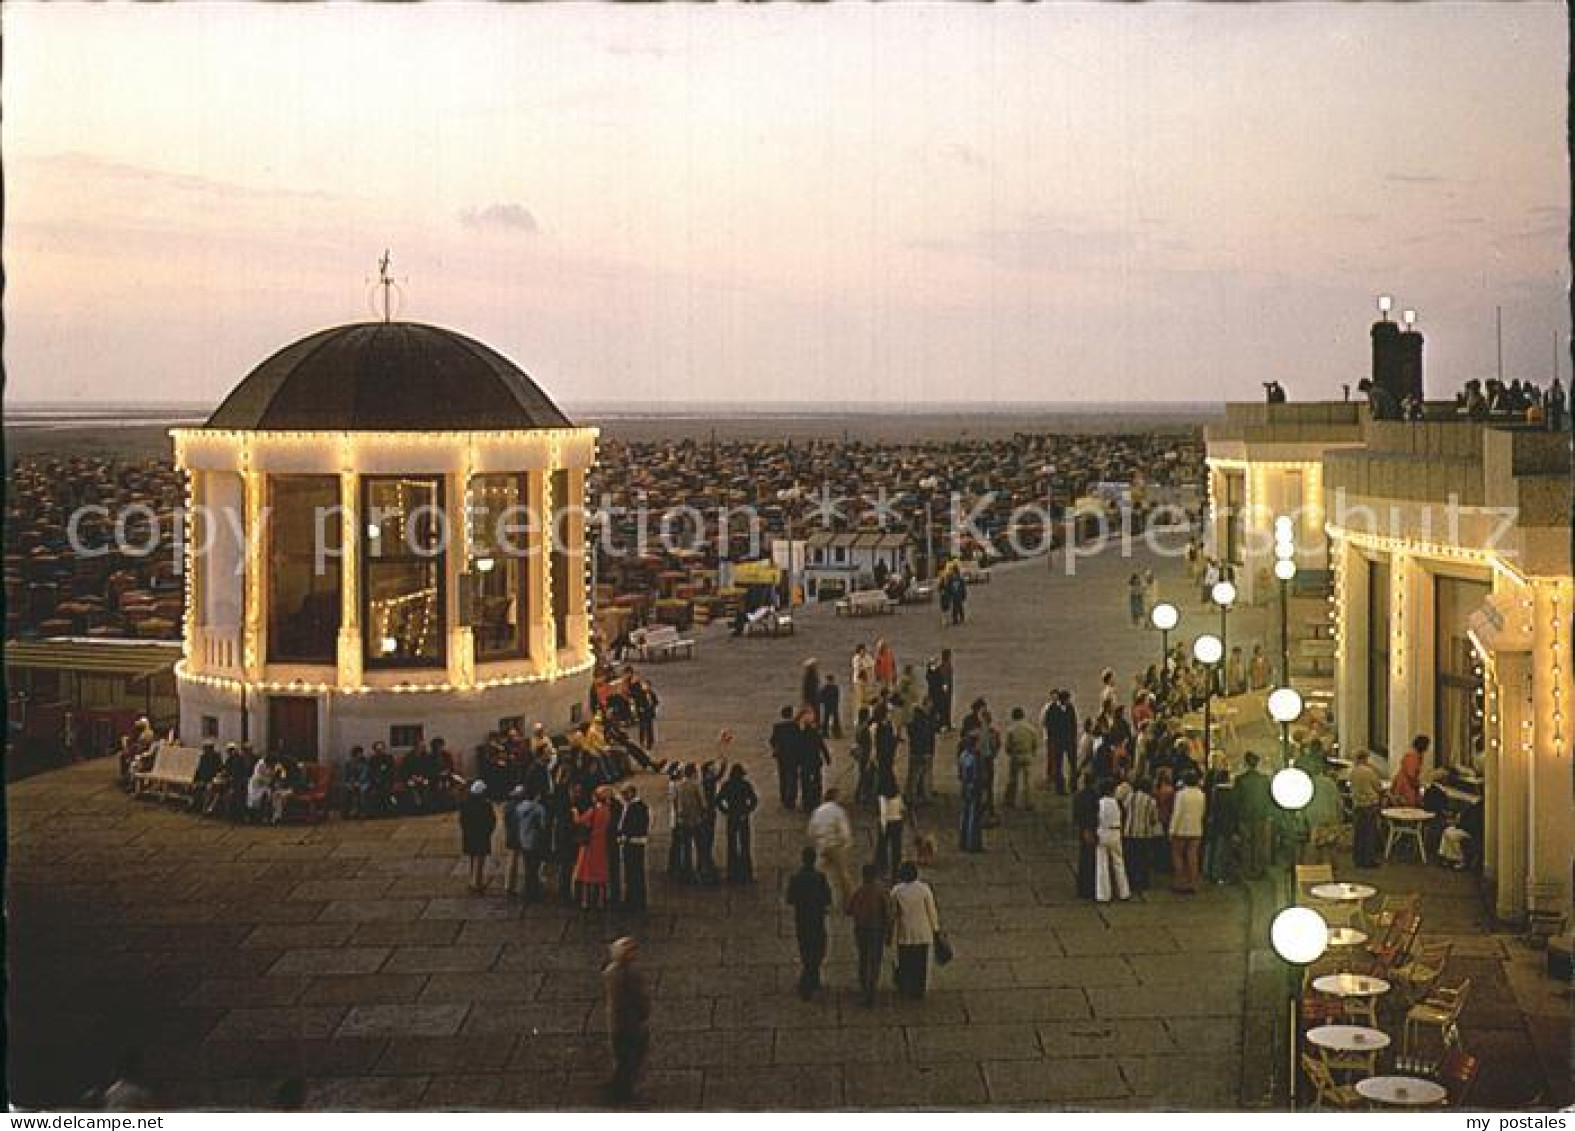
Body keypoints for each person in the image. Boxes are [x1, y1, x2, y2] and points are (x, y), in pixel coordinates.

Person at [602, 936, 651, 1106]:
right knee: (633, 1055)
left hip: (616, 1023)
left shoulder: (610, 972)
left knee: (622, 1055)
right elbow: (640, 999)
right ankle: (622, 1089)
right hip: (631, 1024)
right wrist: (645, 1013)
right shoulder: (633, 973)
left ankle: (618, 1085)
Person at [785, 847, 833, 1000]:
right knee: (818, 947)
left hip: (802, 919)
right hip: (817, 919)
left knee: (805, 947)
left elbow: (790, 899)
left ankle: (810, 975)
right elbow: (828, 898)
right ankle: (811, 976)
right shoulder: (820, 877)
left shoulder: (796, 878)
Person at [890, 862, 941, 999]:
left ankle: (906, 986)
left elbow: (893, 913)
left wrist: (890, 931)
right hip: (923, 931)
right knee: (920, 961)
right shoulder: (924, 889)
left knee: (906, 960)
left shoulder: (896, 891)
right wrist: (935, 928)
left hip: (905, 931)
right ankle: (919, 989)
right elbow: (931, 911)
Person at [845, 863, 892, 1007]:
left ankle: (864, 989)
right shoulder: (881, 892)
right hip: (877, 930)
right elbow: (888, 913)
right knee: (875, 960)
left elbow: (849, 910)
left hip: (861, 929)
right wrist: (889, 932)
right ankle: (871, 990)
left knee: (863, 958)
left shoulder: (859, 892)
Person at [807, 788, 855, 905]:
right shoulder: (838, 811)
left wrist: (817, 841)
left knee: (819, 871)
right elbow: (844, 831)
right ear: (835, 798)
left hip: (822, 845)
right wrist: (847, 843)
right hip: (835, 846)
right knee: (843, 874)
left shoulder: (818, 811)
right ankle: (849, 901)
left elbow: (811, 830)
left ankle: (819, 898)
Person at [1233, 751, 1274, 880]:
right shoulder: (1264, 779)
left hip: (1245, 815)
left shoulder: (1240, 779)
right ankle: (1258, 869)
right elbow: (1269, 797)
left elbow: (1237, 799)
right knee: (1259, 842)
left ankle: (1247, 870)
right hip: (1261, 814)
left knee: (1246, 843)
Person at [715, 763, 758, 883]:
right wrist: (747, 810)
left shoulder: (727, 785)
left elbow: (718, 800)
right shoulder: (745, 785)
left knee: (732, 845)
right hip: (743, 816)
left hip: (732, 816)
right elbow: (754, 800)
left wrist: (726, 811)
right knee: (745, 845)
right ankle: (746, 873)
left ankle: (732, 873)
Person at [574, 786, 615, 909]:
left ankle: (585, 901)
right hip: (601, 843)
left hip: (590, 843)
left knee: (587, 873)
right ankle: (601, 901)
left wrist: (575, 811)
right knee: (601, 873)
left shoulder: (593, 810)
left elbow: (579, 821)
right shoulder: (607, 810)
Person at [1094, 778, 1132, 903]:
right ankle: (1124, 891)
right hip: (1116, 832)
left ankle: (1103, 894)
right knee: (1119, 862)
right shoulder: (1117, 803)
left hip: (1103, 831)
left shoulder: (1100, 803)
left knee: (1102, 863)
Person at [1123, 775, 1163, 892]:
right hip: (1144, 834)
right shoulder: (1151, 801)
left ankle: (1130, 880)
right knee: (1143, 859)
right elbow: (1154, 819)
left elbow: (1125, 809)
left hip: (1130, 832)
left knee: (1130, 858)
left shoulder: (1130, 797)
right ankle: (1143, 882)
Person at [1169, 769, 1206, 893]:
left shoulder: (1181, 794)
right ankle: (1193, 883)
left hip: (1181, 828)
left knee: (1178, 855)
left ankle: (1180, 882)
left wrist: (1172, 829)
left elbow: (1177, 813)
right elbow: (1202, 811)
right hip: (1196, 828)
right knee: (1192, 856)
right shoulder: (1201, 794)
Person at [459, 780, 496, 893]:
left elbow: (462, 821)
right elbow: (491, 821)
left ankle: (472, 880)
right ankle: (477, 883)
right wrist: (488, 832)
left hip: (469, 835)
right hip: (481, 836)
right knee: (480, 860)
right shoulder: (485, 805)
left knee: (472, 858)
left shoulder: (465, 803)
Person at [617, 784, 650, 910]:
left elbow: (638, 825)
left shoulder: (638, 807)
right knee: (631, 871)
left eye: (625, 793)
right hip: (629, 842)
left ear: (632, 793)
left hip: (634, 842)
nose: (623, 796)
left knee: (635, 871)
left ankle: (635, 900)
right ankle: (632, 898)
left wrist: (625, 834)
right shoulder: (629, 806)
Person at [1349, 751, 1384, 868]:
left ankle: (1358, 858)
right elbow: (1378, 787)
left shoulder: (1352, 772)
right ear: (1365, 758)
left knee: (1359, 833)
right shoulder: (1369, 772)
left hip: (1358, 804)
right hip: (1369, 804)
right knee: (1369, 834)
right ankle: (1368, 860)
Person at [1042, 689, 1077, 795]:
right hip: (1058, 741)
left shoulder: (1070, 708)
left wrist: (1073, 737)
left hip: (1068, 740)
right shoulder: (1052, 709)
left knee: (1072, 764)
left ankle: (1073, 785)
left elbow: (1073, 723)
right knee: (1058, 765)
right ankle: (1060, 788)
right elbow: (1049, 725)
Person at [1003, 706, 1038, 810]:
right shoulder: (1031, 728)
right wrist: (1032, 752)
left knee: (1013, 779)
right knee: (1027, 781)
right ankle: (1028, 802)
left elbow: (1008, 746)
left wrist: (1010, 752)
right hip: (1027, 755)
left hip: (1016, 755)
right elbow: (1035, 743)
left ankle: (1010, 801)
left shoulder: (1011, 730)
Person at [957, 734, 984, 853]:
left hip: (964, 786)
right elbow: (977, 775)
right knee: (974, 816)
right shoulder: (975, 758)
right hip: (974, 787)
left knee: (965, 813)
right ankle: (972, 843)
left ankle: (963, 840)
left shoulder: (963, 755)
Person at [874, 780, 906, 883]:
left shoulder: (882, 798)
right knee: (896, 847)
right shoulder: (898, 796)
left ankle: (882, 869)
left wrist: (882, 827)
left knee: (882, 846)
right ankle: (895, 871)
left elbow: (883, 813)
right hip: (897, 822)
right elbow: (902, 808)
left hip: (886, 823)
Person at [769, 705, 800, 809]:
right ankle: (791, 799)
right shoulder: (795, 726)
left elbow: (772, 740)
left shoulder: (777, 727)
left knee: (783, 777)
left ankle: (783, 797)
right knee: (793, 777)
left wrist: (776, 748)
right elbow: (799, 740)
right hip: (794, 755)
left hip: (781, 756)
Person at [906, 698, 936, 803]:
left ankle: (920, 795)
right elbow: (923, 735)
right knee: (916, 775)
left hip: (922, 750)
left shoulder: (922, 719)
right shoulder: (921, 719)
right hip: (921, 751)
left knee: (921, 775)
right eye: (929, 706)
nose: (930, 708)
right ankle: (913, 796)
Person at [1392, 735, 1427, 808]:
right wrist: (1418, 784)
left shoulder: (1416, 755)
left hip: (1406, 784)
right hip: (1406, 786)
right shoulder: (1413, 756)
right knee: (1407, 807)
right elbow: (1411, 775)